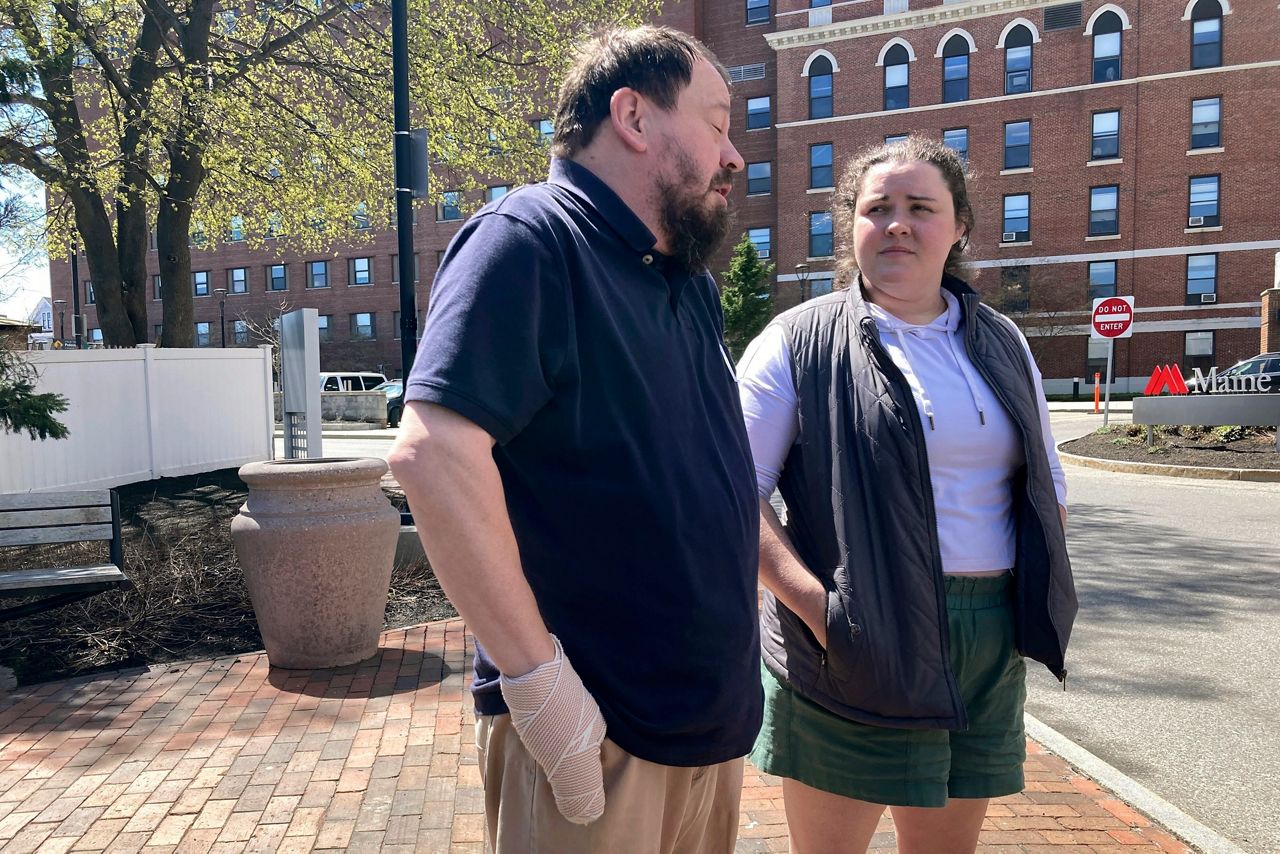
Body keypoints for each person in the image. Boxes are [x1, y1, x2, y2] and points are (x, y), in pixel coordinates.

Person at [386, 26, 761, 854]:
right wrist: (541, 690)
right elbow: (434, 455)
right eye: (717, 123)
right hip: (597, 738)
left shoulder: (681, 282)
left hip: (703, 733)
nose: (734, 156)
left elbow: (709, 472)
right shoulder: (529, 241)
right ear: (632, 115)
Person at [736, 136, 1077, 854]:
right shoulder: (798, 341)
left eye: (920, 207)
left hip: (985, 643)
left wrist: (1028, 598)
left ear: (959, 228)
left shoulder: (1003, 341)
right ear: (849, 227)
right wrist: (822, 613)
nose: (897, 223)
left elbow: (1048, 486)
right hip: (851, 644)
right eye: (877, 208)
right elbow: (732, 493)